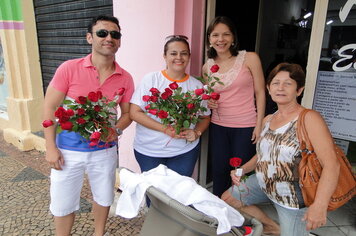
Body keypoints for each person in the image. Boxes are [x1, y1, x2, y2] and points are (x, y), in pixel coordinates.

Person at [221, 63, 340, 236]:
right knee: (228, 199)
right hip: (262, 183)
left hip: (291, 196)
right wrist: (242, 169)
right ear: (269, 89)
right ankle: (271, 226)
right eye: (276, 83)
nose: (281, 88)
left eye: (288, 83)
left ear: (299, 90)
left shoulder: (309, 119)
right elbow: (263, 154)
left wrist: (320, 206)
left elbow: (332, 165)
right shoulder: (268, 119)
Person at [43, 15, 134, 236]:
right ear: (89, 38)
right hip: (67, 151)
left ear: (119, 41)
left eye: (115, 34)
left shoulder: (125, 77)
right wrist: (50, 147)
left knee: (103, 197)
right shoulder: (69, 68)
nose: (109, 38)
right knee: (63, 201)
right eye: (102, 33)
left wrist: (116, 131)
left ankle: (98, 233)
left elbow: (128, 113)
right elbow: (50, 108)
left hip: (104, 151)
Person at [130, 35, 210, 177]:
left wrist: (197, 133)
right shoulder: (151, 79)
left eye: (183, 53)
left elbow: (205, 117)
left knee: (178, 195)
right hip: (150, 151)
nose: (179, 57)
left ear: (189, 56)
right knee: (154, 196)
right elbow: (135, 112)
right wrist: (165, 129)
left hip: (184, 152)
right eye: (173, 53)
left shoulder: (197, 86)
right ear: (165, 56)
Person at [202, 16, 266, 197]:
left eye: (226, 34)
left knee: (241, 173)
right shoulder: (207, 67)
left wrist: (259, 125)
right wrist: (209, 102)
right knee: (220, 171)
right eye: (215, 35)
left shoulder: (250, 58)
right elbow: (209, 96)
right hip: (219, 126)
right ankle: (219, 214)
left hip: (246, 126)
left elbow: (260, 92)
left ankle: (241, 215)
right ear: (209, 39)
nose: (220, 40)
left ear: (233, 38)